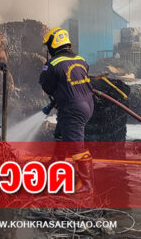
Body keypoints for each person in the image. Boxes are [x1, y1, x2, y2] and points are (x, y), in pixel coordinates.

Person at [39, 27, 94, 193]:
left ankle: (86, 183)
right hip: (87, 105)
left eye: (48, 46)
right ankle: (56, 162)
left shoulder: (52, 64)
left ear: (53, 45)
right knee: (61, 134)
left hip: (72, 109)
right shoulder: (81, 60)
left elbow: (46, 85)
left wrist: (57, 95)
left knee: (76, 145)